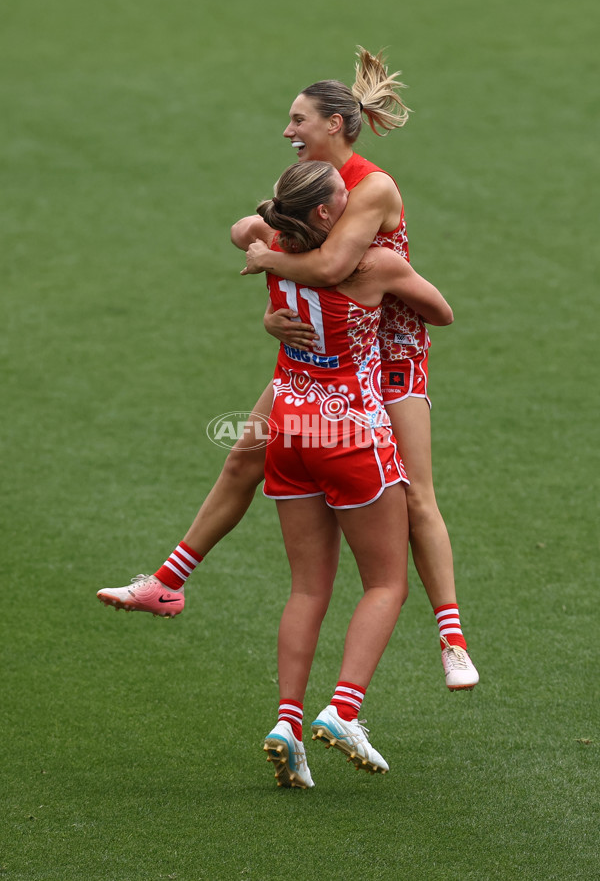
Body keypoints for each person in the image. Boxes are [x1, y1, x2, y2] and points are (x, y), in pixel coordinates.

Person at [96, 47, 478, 692]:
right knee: (244, 457)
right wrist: (268, 296)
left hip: (388, 357)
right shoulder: (309, 187)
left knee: (416, 494)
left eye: (298, 119)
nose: (287, 131)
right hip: (325, 358)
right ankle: (166, 583)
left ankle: (452, 638)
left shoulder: (368, 186)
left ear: (335, 124)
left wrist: (266, 263)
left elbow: (330, 269)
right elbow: (251, 227)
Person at [241, 160, 453, 787]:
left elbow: (245, 231)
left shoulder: (274, 248)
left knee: (307, 589)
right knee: (386, 583)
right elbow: (440, 313)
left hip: (289, 430)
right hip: (353, 435)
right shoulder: (374, 266)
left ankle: (287, 722)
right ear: (331, 216)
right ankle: (344, 709)